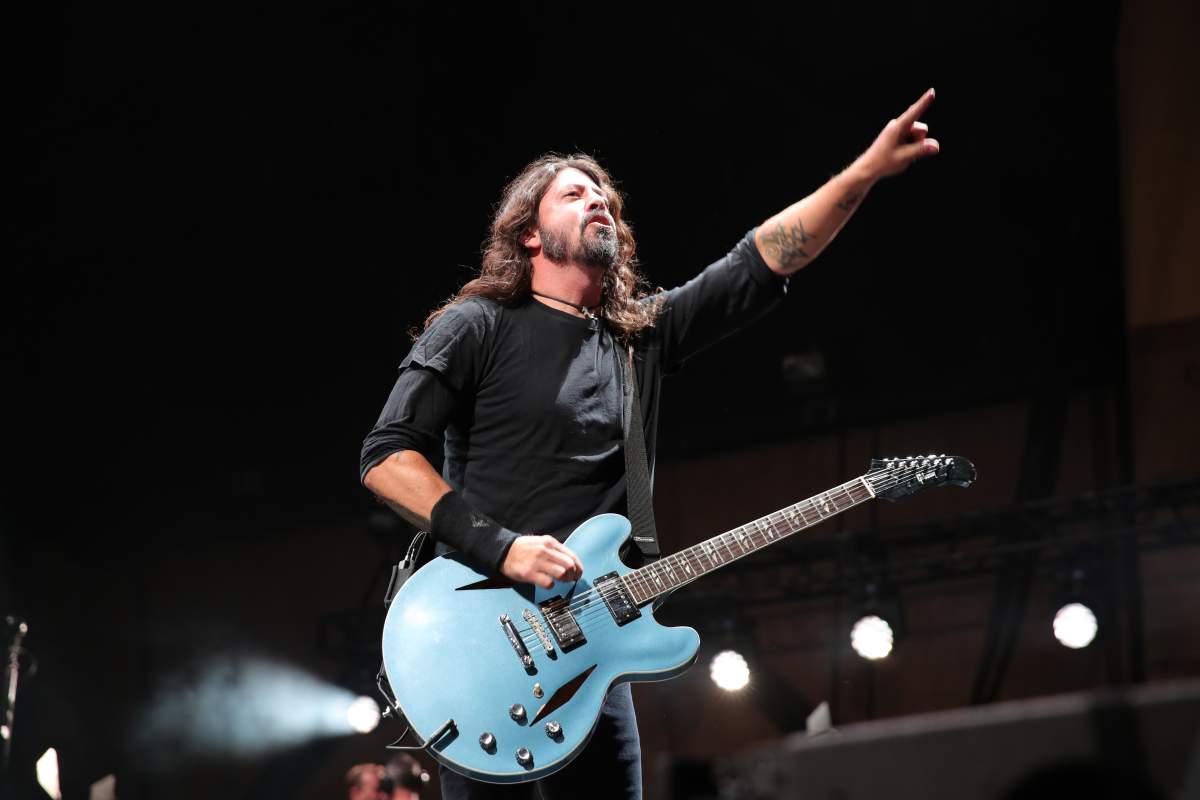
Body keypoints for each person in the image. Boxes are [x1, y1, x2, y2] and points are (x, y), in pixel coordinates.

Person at [360, 90, 940, 800]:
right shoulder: (477, 324)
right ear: (530, 235)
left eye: (603, 194)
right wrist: (504, 548)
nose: (598, 200)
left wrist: (864, 172)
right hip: (482, 650)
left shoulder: (639, 339)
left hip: (592, 660)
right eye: (574, 194)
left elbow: (758, 262)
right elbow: (386, 457)